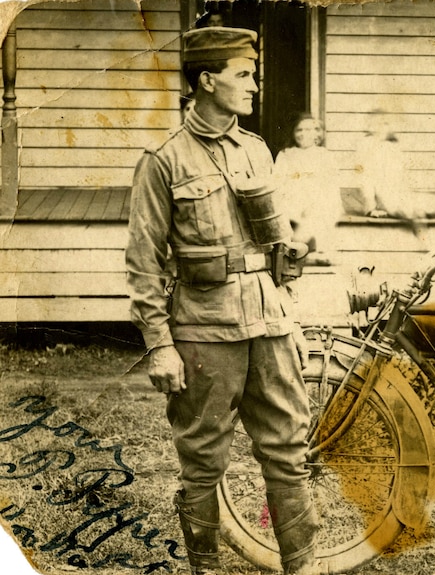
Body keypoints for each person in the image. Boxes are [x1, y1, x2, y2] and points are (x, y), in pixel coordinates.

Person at [125, 26, 318, 575]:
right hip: (205, 331)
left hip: (270, 324)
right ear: (207, 81)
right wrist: (160, 346)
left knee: (288, 452)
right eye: (244, 75)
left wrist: (291, 296)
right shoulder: (163, 161)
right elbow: (143, 262)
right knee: (204, 461)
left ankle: (300, 568)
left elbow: (277, 248)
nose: (255, 85)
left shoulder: (256, 150)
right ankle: (205, 568)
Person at [274, 114, 342, 257]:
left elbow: (330, 185)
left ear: (317, 133)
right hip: (292, 202)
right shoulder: (285, 154)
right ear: (293, 133)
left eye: (309, 130)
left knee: (323, 210)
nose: (303, 134)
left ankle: (319, 251)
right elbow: (278, 183)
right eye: (299, 130)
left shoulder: (324, 155)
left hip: (318, 202)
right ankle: (297, 247)